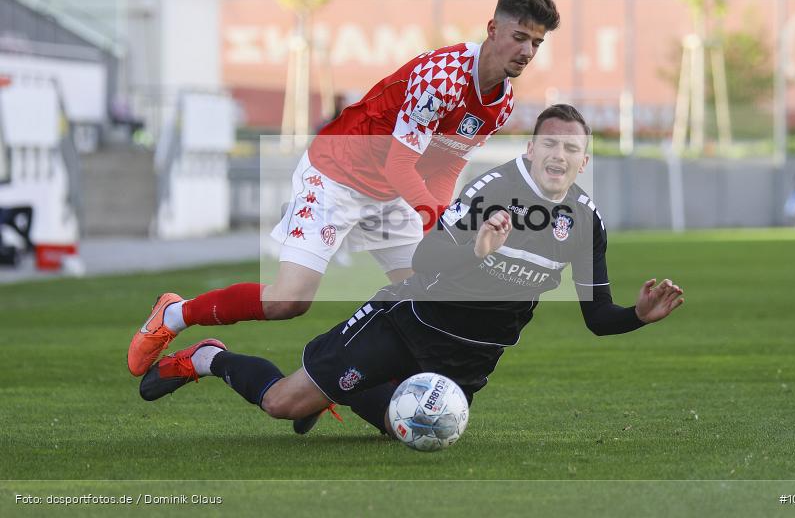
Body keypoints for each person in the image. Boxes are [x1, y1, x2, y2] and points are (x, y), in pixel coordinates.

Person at [138, 105, 685, 437]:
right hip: (405, 323)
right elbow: (423, 261)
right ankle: (209, 357)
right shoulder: (492, 192)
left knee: (412, 432)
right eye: (548, 144)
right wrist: (474, 248)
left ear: (585, 159)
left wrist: (637, 316)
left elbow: (597, 318)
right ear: (532, 148)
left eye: (571, 148)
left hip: (469, 361)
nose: (558, 156)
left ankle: (341, 389)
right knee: (282, 403)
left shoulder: (586, 223)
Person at [127, 0, 561, 378]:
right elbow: (399, 165)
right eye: (519, 37)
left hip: (392, 194)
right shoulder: (442, 76)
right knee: (289, 301)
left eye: (536, 43)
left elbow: (444, 166)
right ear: (492, 28)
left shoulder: (500, 102)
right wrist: (439, 222)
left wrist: (439, 229)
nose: (526, 51)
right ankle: (176, 315)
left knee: (421, 296)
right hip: (337, 175)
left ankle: (343, 385)